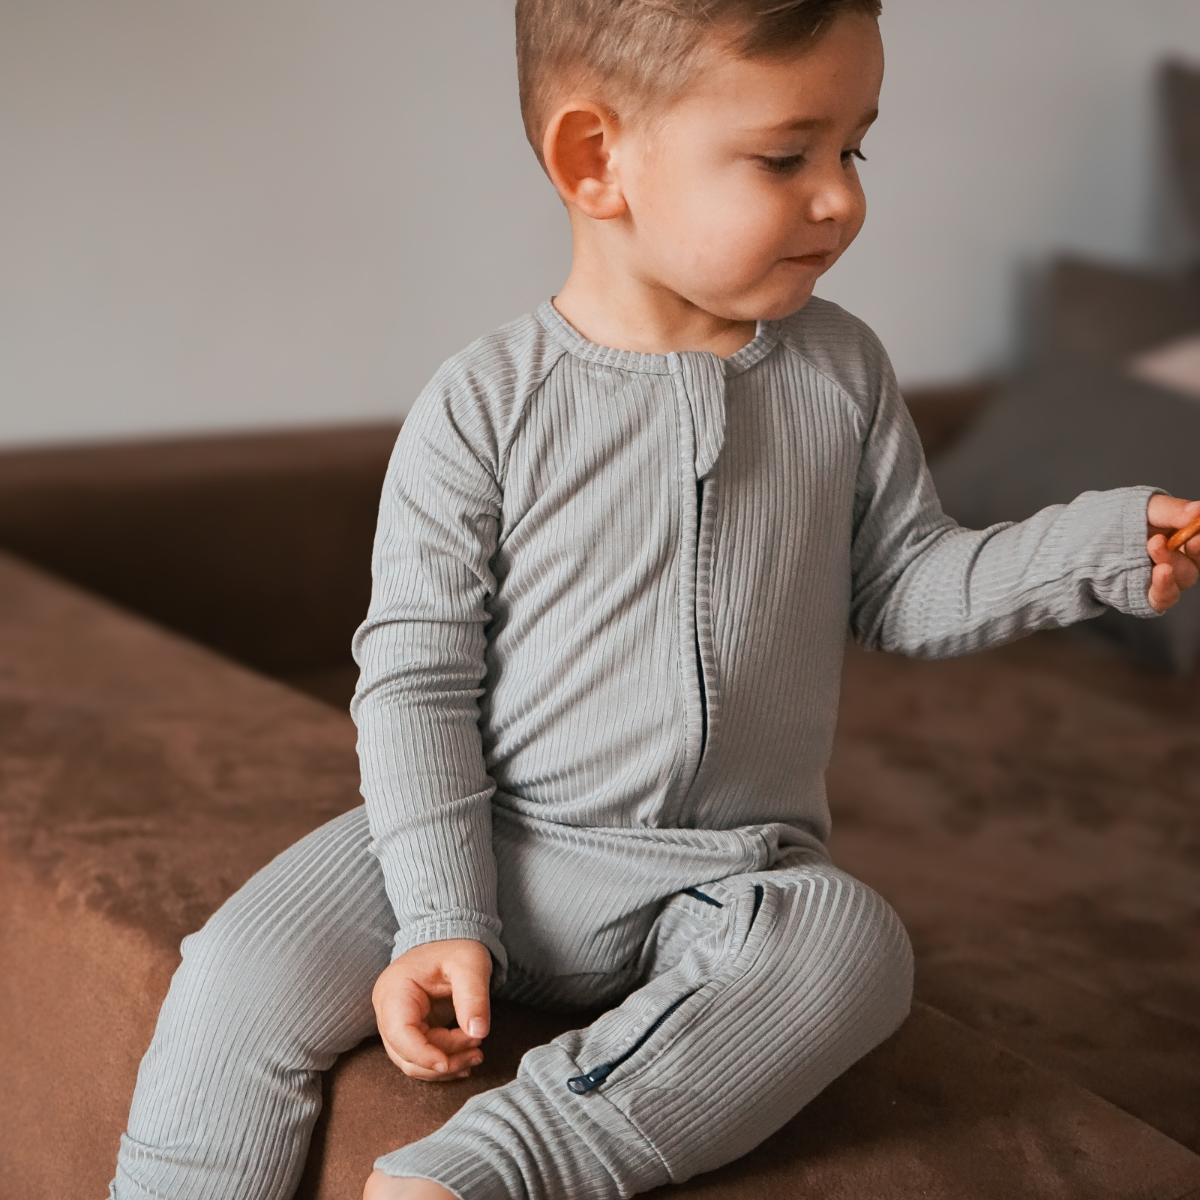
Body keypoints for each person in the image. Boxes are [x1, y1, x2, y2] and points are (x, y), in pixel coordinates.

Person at [109, 2, 1200, 1199]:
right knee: (235, 970)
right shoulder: (485, 404)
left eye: (854, 148)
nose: (840, 197)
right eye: (786, 157)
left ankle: (479, 1172)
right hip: (493, 832)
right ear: (595, 161)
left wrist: (1098, 546)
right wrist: (440, 914)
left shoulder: (841, 372)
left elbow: (905, 584)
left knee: (854, 947)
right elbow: (416, 683)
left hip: (720, 875)